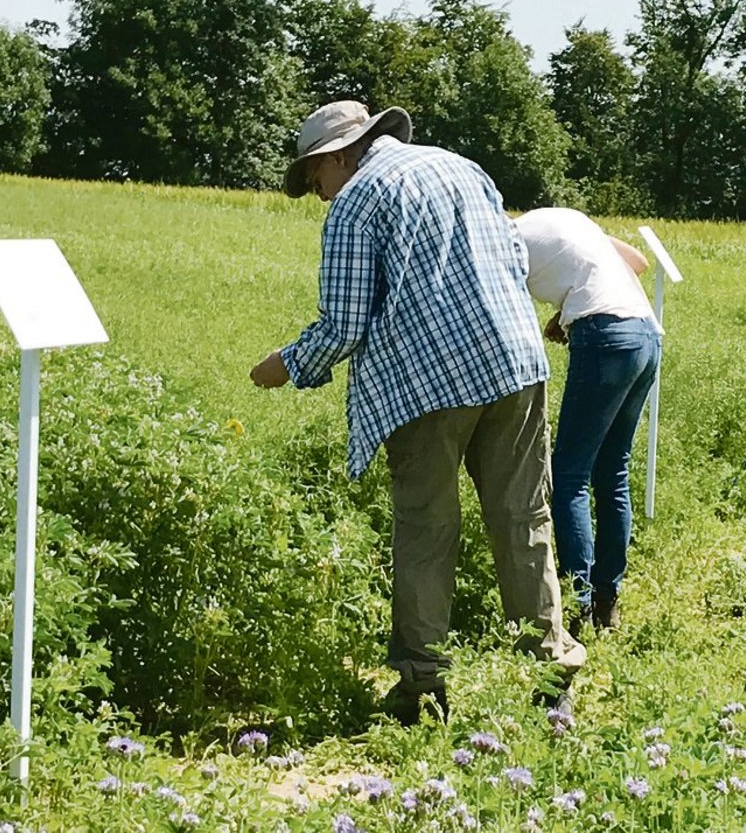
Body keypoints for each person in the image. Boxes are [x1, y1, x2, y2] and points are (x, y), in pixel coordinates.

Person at [249, 100, 584, 724]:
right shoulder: (461, 167)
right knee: (522, 516)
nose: (319, 195)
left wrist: (288, 364)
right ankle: (550, 676)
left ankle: (421, 687)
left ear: (337, 156)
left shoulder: (356, 201)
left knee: (427, 530)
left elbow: (345, 323)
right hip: (514, 360)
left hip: (427, 382)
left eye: (315, 179)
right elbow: (512, 259)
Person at [514, 208, 663, 634]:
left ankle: (576, 605)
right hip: (646, 335)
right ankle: (606, 602)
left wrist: (572, 311)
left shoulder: (506, 240)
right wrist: (566, 309)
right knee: (612, 471)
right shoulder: (572, 221)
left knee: (569, 474)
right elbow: (637, 261)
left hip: (605, 336)